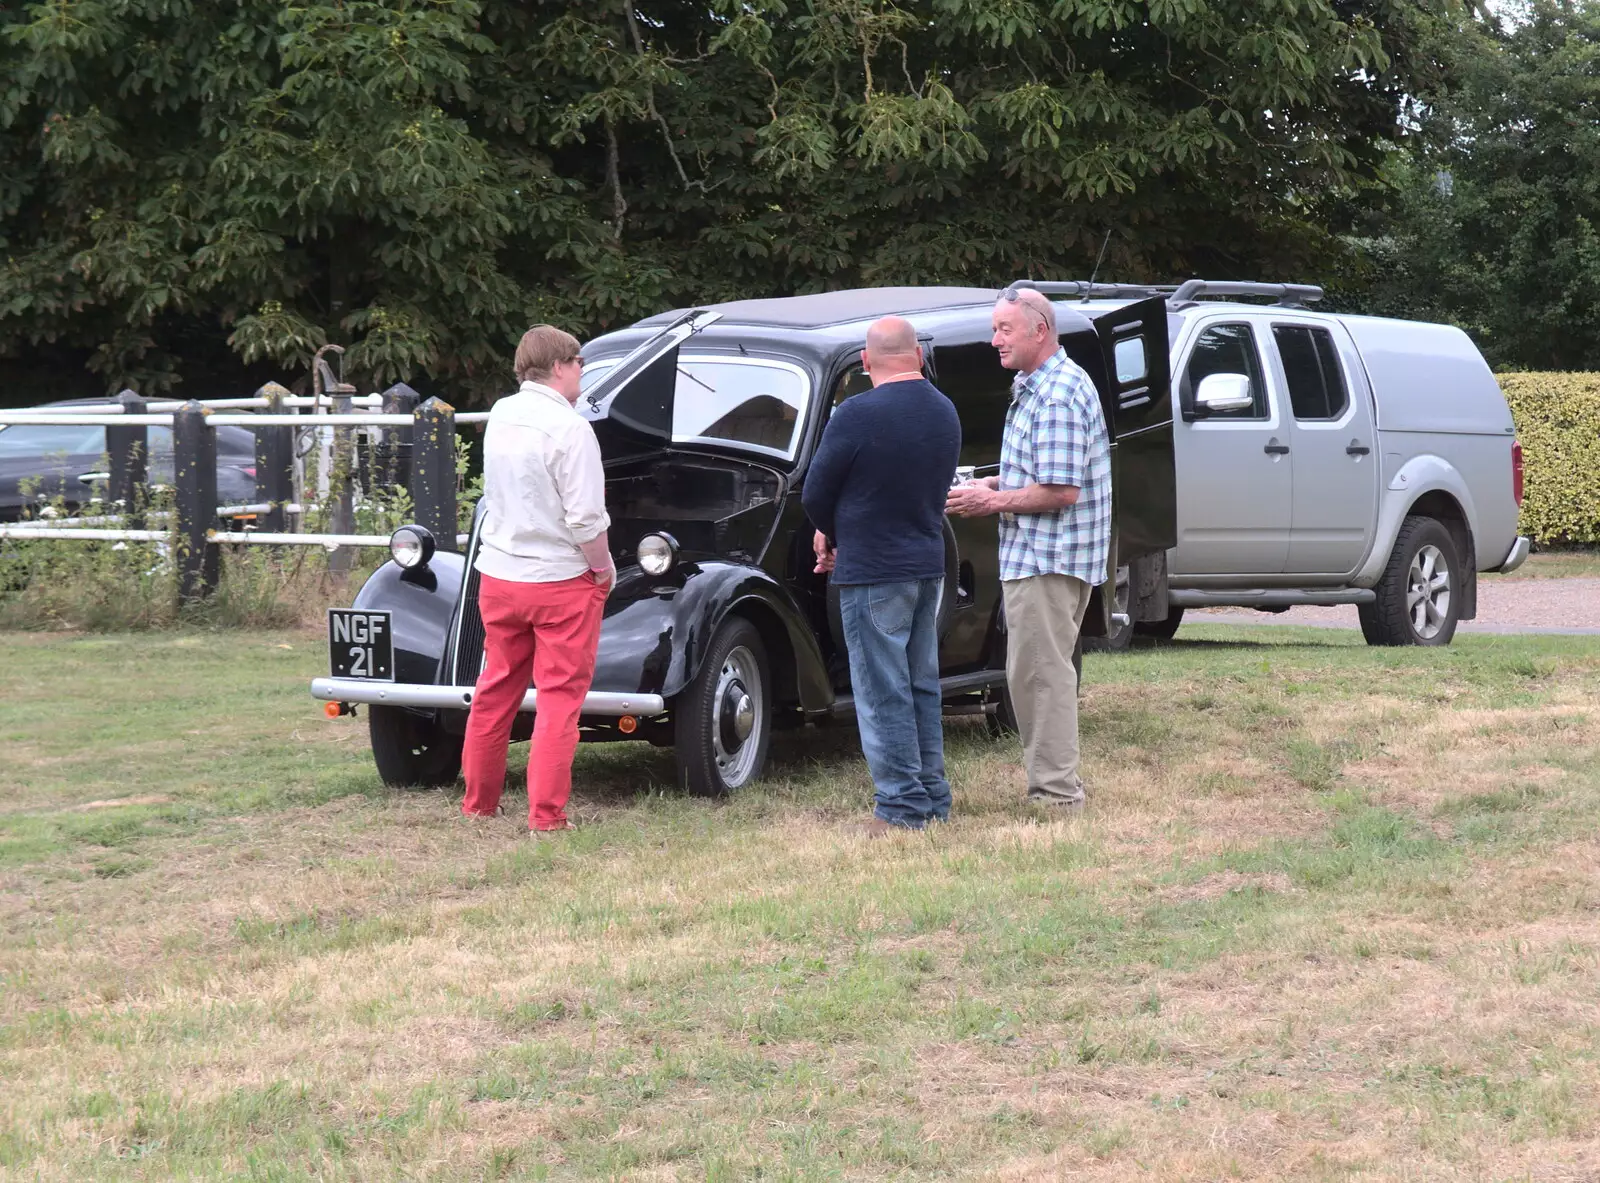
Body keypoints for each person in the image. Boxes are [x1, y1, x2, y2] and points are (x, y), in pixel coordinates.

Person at [946, 286, 1111, 809]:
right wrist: (989, 485)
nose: (994, 339)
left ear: (1040, 329)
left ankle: (1058, 797)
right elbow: (1041, 474)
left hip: (1048, 557)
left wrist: (988, 505)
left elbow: (1061, 491)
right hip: (1044, 556)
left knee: (1041, 677)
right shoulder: (1037, 385)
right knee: (1036, 672)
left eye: (1004, 329)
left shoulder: (1058, 394)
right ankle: (1055, 787)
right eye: (995, 328)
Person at [802, 316, 962, 834]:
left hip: (872, 568)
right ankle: (933, 796)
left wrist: (828, 532)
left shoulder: (856, 413)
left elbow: (816, 493)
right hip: (927, 564)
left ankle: (900, 807)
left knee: (880, 690)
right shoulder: (945, 411)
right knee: (921, 684)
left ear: (866, 361)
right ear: (917, 354)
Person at [460, 324, 616, 832]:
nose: (581, 375)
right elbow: (586, 518)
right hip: (559, 579)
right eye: (578, 365)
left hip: (500, 573)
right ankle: (546, 816)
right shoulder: (571, 429)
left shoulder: (501, 413)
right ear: (558, 367)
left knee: (495, 687)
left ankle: (479, 803)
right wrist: (603, 567)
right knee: (559, 698)